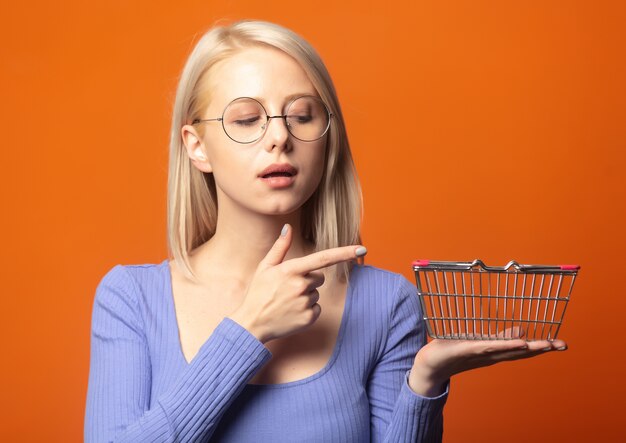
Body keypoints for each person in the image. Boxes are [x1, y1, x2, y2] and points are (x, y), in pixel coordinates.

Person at [84, 20, 567, 442]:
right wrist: (248, 330)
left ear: (327, 135)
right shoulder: (131, 299)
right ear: (197, 147)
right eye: (247, 120)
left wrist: (424, 383)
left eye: (301, 115)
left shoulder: (387, 302)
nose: (279, 137)